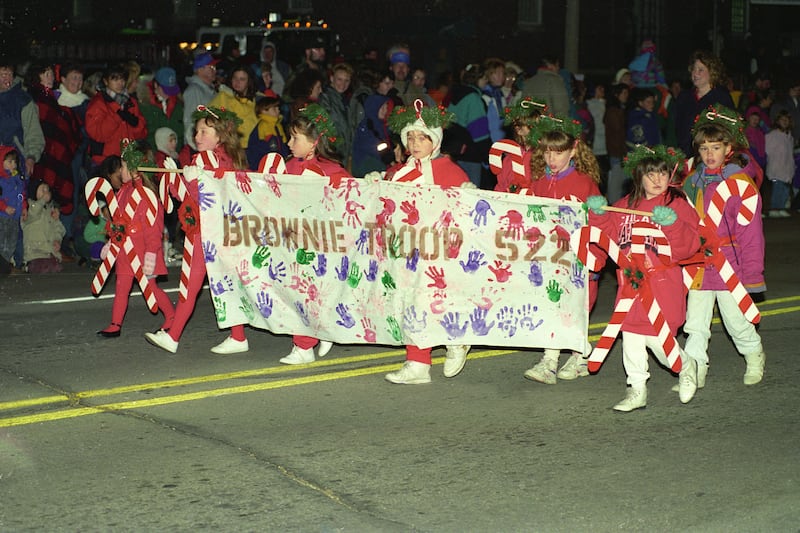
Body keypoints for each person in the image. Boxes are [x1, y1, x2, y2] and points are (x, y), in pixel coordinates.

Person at [587, 145, 701, 411]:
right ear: (639, 176)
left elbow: (690, 245)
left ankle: (686, 365)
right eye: (650, 174)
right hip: (630, 285)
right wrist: (599, 216)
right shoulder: (625, 205)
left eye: (662, 173)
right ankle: (636, 389)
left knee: (657, 340)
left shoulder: (677, 204)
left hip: (663, 283)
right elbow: (611, 239)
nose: (657, 180)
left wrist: (671, 224)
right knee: (631, 336)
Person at [379, 99, 473, 384]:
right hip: (408, 251)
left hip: (440, 251)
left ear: (435, 141)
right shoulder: (401, 171)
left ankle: (456, 339)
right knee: (411, 302)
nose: (415, 142)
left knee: (439, 301)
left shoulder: (448, 169)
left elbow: (468, 207)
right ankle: (418, 363)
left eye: (422, 137)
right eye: (410, 137)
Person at [145, 106, 250, 354]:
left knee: (190, 285)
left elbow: (199, 199)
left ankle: (173, 336)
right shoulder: (231, 159)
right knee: (225, 283)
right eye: (197, 131)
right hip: (225, 231)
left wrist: (178, 178)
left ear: (220, 136)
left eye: (205, 131)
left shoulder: (204, 159)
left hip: (203, 232)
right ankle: (238, 336)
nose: (198, 136)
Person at [681, 105, 766, 389]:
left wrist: (752, 275)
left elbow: (751, 233)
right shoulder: (692, 182)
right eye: (703, 148)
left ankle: (754, 355)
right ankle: (695, 369)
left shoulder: (740, 184)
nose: (709, 154)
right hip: (699, 264)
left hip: (730, 262)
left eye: (715, 147)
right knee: (695, 322)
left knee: (736, 320)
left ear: (728, 147)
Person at [524, 114, 602, 384]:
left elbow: (599, 223)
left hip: (579, 261)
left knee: (572, 312)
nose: (551, 159)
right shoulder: (538, 182)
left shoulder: (584, 184)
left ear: (573, 150)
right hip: (549, 258)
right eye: (547, 152)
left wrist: (595, 262)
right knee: (552, 308)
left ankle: (580, 356)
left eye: (558, 153)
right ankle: (551, 360)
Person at [279, 103, 351, 364]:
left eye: (295, 138)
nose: (288, 143)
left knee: (306, 291)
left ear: (314, 142)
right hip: (294, 241)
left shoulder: (335, 172)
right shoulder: (289, 167)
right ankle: (321, 330)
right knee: (300, 291)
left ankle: (303, 347)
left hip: (321, 246)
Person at [93, 141, 173, 336]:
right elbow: (118, 221)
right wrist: (112, 241)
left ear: (135, 168)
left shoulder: (146, 195)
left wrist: (152, 253)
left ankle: (171, 317)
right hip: (125, 252)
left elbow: (153, 227)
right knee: (121, 287)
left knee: (151, 288)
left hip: (143, 252)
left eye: (123, 166)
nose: (121, 170)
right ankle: (116, 324)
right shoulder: (122, 192)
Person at [85, 63, 147, 171]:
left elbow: (142, 132)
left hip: (128, 159)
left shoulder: (130, 102)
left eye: (122, 79)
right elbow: (98, 134)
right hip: (105, 161)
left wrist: (135, 124)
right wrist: (116, 117)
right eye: (115, 79)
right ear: (106, 81)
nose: (120, 83)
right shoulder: (98, 103)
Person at [673, 50, 734, 155]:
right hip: (684, 157)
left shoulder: (721, 98)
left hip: (710, 157)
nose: (695, 73)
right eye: (694, 69)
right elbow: (675, 127)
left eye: (700, 70)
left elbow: (729, 131)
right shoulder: (684, 97)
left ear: (712, 72)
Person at [0, 57, 44, 179]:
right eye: (3, 74)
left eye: (10, 74)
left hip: (15, 161)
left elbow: (33, 132)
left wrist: (31, 157)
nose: (7, 78)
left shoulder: (23, 100)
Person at [448, 63, 491, 187]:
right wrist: (487, 156)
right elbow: (479, 132)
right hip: (471, 153)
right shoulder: (474, 98)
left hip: (455, 151)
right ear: (477, 79)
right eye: (484, 78)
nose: (486, 82)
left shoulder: (456, 95)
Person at [493, 96, 546, 193]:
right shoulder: (509, 159)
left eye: (539, 126)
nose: (537, 130)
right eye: (532, 126)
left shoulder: (543, 155)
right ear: (518, 129)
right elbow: (501, 186)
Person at [209, 65, 259, 149]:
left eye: (242, 79)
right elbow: (208, 116)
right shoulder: (223, 96)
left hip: (255, 147)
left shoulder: (257, 100)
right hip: (232, 147)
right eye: (235, 78)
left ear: (249, 81)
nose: (237, 82)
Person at [139, 67, 184, 158]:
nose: (169, 93)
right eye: (166, 89)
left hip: (174, 155)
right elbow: (143, 134)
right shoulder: (144, 106)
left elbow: (180, 132)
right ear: (155, 85)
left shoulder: (177, 105)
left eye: (172, 89)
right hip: (153, 156)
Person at [21, 179, 64, 273]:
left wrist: (57, 240)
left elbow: (59, 228)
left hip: (49, 252)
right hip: (35, 252)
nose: (46, 193)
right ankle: (28, 266)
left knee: (55, 266)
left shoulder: (51, 210)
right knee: (42, 266)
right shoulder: (29, 207)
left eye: (47, 190)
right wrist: (41, 201)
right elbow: (34, 213)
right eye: (42, 190)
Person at [318, 63, 354, 165]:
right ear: (331, 78)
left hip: (343, 154)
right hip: (331, 155)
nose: (343, 84)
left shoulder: (346, 101)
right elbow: (325, 127)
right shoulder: (325, 98)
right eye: (339, 79)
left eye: (346, 80)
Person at [182, 52, 219, 150]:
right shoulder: (194, 91)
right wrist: (196, 148)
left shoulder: (210, 91)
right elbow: (189, 121)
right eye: (211, 67)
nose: (215, 71)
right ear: (200, 69)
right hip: (198, 147)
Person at [351, 94, 393, 177]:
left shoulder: (381, 125)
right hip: (365, 163)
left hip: (377, 161)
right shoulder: (366, 126)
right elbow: (370, 146)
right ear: (374, 108)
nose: (385, 111)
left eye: (386, 108)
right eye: (382, 108)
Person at [764, 110, 795, 217]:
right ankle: (774, 208)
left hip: (787, 167)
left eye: (787, 120)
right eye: (782, 120)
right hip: (776, 166)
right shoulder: (773, 135)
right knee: (777, 187)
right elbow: (767, 150)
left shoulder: (789, 136)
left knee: (785, 188)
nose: (785, 122)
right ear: (778, 121)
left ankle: (781, 207)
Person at [246, 95, 288, 169]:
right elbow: (260, 147)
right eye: (274, 108)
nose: (278, 110)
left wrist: (285, 156)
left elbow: (283, 144)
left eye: (278, 108)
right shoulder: (263, 126)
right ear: (264, 111)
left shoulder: (278, 125)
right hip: (262, 163)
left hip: (277, 162)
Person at [604, 83, 629, 203]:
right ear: (616, 95)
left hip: (619, 151)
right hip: (616, 151)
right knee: (615, 182)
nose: (626, 95)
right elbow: (617, 131)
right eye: (624, 93)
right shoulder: (614, 111)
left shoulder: (619, 110)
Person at [0, 147, 25, 266]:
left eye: (15, 162)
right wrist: (4, 207)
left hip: (15, 217)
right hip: (2, 217)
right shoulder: (1, 180)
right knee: (2, 240)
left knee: (12, 240)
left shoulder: (17, 179)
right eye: (10, 162)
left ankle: (5, 261)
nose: (13, 165)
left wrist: (24, 207)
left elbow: (22, 194)